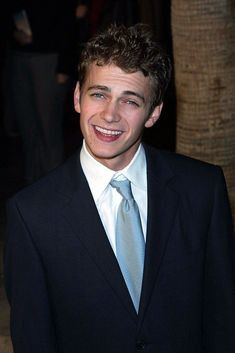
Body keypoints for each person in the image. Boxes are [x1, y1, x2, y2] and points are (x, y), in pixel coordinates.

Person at [4, 23, 235, 353]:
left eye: (130, 101)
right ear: (76, 97)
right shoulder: (32, 214)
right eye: (99, 94)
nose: (109, 115)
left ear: (153, 113)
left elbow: (223, 317)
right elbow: (34, 339)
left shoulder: (202, 190)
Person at [4, 0, 78, 184]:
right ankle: (33, 184)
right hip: (19, 55)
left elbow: (68, 22)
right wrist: (13, 33)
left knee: (48, 126)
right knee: (27, 125)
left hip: (48, 58)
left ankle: (54, 185)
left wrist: (64, 67)